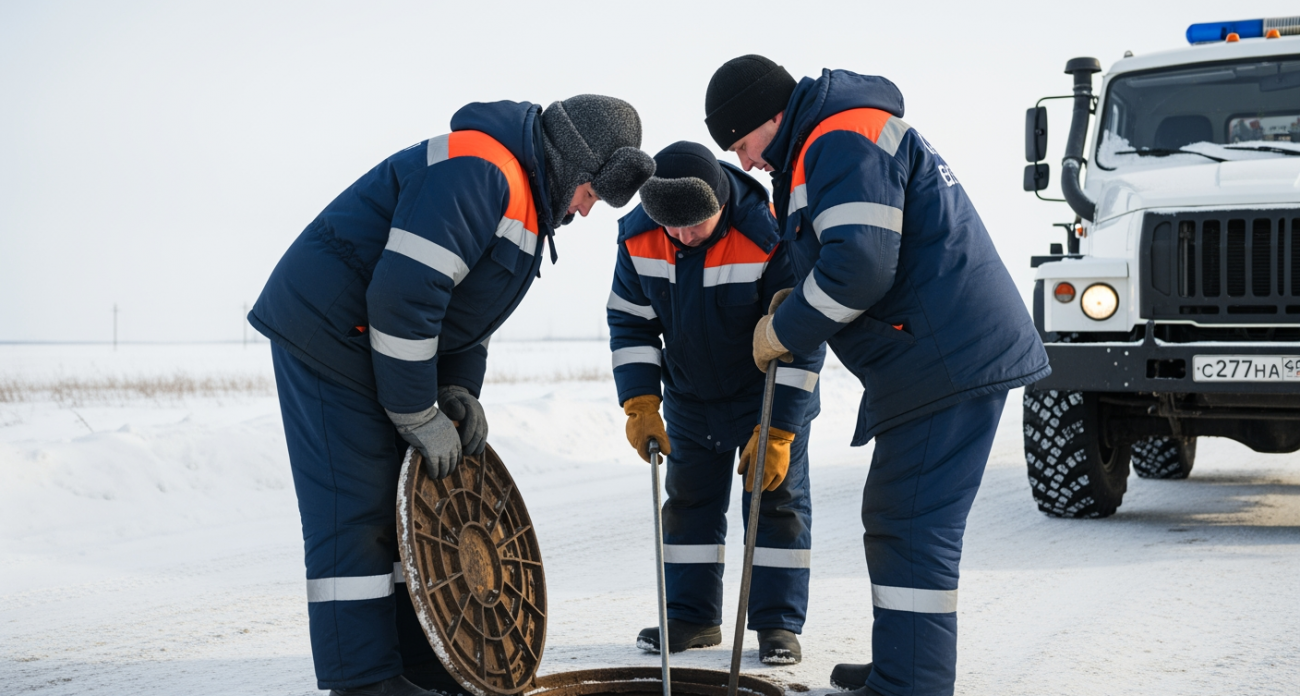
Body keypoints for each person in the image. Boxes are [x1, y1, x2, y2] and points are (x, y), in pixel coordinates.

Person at [249, 96, 655, 696]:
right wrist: (417, 410)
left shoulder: (524, 200)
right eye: (591, 193)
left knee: (406, 503)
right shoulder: (482, 171)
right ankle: (363, 680)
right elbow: (405, 295)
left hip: (370, 344)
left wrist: (458, 390)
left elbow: (468, 316)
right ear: (572, 162)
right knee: (356, 505)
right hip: (327, 333)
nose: (586, 210)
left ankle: (418, 660)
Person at [703, 55, 1051, 696]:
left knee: (910, 521)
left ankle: (910, 680)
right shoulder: (831, 137)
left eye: (741, 145)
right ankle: (903, 659)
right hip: (937, 353)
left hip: (944, 357)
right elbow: (851, 251)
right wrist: (799, 298)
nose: (745, 163)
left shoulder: (838, 137)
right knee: (899, 514)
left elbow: (860, 268)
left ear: (768, 118)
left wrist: (784, 330)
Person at [607, 140, 824, 665]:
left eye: (694, 225)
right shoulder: (638, 238)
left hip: (765, 397)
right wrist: (640, 404)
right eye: (672, 227)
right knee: (689, 505)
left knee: (775, 505)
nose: (682, 236)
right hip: (690, 396)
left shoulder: (767, 234)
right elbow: (631, 325)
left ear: (720, 204)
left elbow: (801, 336)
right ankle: (692, 617)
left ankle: (777, 625)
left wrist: (778, 430)